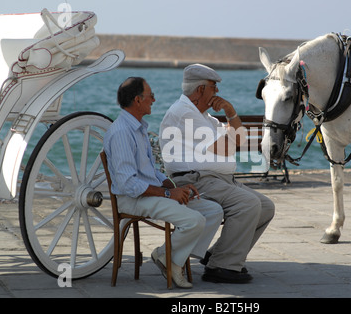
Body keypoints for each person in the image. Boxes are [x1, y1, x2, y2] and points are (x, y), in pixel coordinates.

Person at [159, 64, 275, 284]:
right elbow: (226, 148)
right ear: (201, 89)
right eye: (214, 87)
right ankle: (221, 267)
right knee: (248, 204)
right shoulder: (184, 113)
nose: (218, 92)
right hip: (195, 180)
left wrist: (231, 114)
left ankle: (218, 254)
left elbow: (238, 141)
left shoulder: (205, 117)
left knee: (266, 207)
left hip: (217, 180)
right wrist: (230, 116)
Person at [103, 77, 223, 288]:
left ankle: (169, 256)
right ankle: (172, 261)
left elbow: (151, 172)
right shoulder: (122, 132)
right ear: (138, 100)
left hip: (149, 193)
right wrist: (168, 195)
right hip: (133, 199)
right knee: (194, 220)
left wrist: (174, 187)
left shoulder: (138, 128)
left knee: (213, 211)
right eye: (151, 96)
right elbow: (128, 184)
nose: (154, 100)